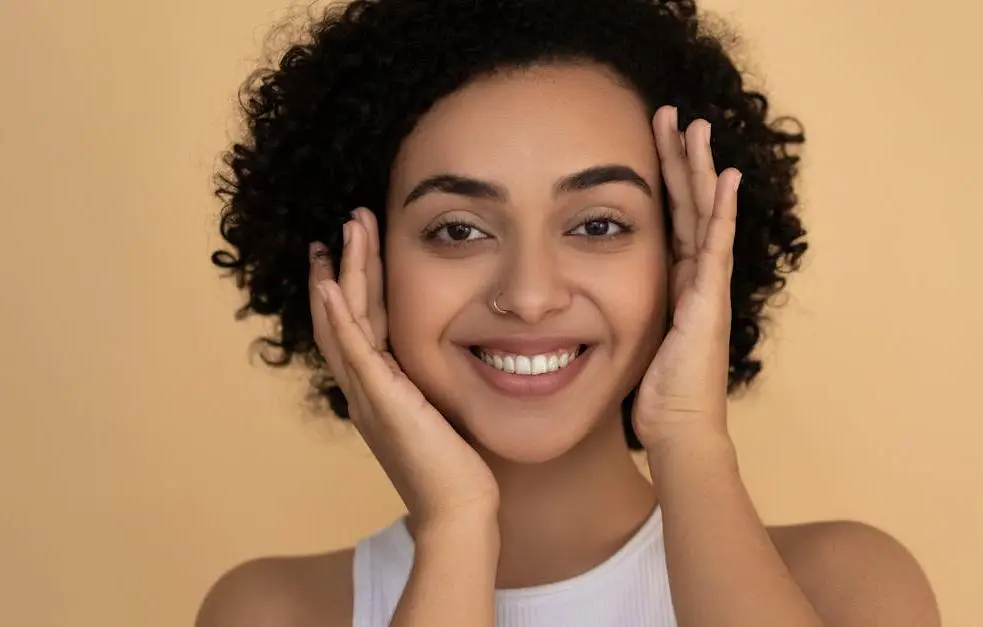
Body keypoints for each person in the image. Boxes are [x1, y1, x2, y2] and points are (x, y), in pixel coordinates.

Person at [198, 1, 940, 625]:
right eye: (458, 229)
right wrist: (456, 525)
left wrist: (690, 436)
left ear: (688, 252)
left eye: (598, 225)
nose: (528, 294)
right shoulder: (274, 610)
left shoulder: (848, 588)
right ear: (366, 262)